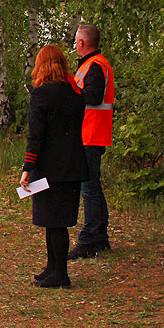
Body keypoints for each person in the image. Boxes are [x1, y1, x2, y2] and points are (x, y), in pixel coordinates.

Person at [21, 44, 88, 288]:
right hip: (73, 164)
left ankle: (60, 274)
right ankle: (53, 268)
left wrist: (27, 167)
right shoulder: (75, 92)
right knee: (57, 221)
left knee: (53, 222)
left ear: (41, 65)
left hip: (49, 166)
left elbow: (35, 135)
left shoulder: (41, 94)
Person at [68, 24, 115, 260]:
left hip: (91, 133)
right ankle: (100, 238)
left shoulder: (94, 66)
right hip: (92, 133)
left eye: (76, 40)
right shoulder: (93, 65)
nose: (75, 44)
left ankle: (88, 241)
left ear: (82, 43)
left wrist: (70, 92)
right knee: (92, 187)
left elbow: (93, 97)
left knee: (89, 189)